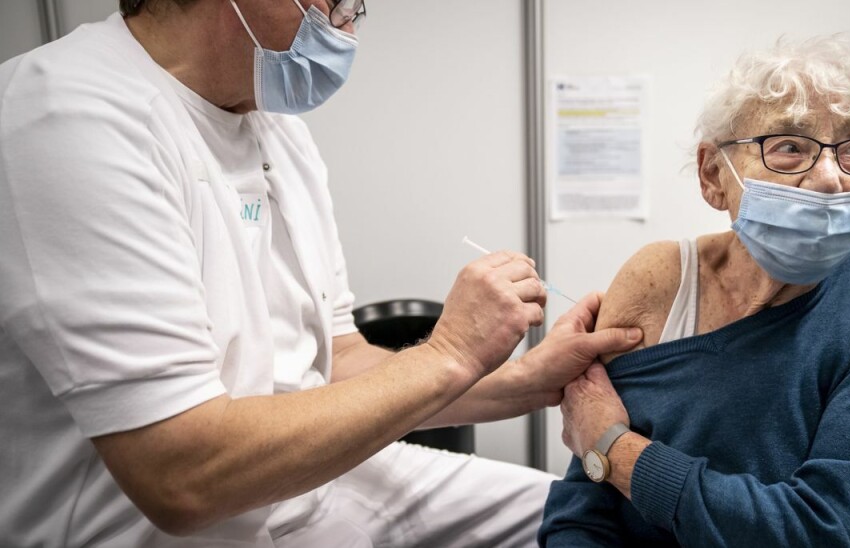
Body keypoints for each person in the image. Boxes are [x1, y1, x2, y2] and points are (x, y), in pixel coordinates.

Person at [0, 1, 643, 546]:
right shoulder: (68, 119)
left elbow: (336, 361)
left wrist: (528, 381)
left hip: (304, 490)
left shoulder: (278, 132)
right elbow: (182, 474)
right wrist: (449, 352)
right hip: (162, 527)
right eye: (330, 1)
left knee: (580, 516)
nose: (344, 29)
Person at [539, 35, 850, 547]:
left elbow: (830, 531)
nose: (829, 179)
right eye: (788, 147)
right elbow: (584, 509)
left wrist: (614, 447)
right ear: (714, 174)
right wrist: (601, 454)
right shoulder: (661, 281)